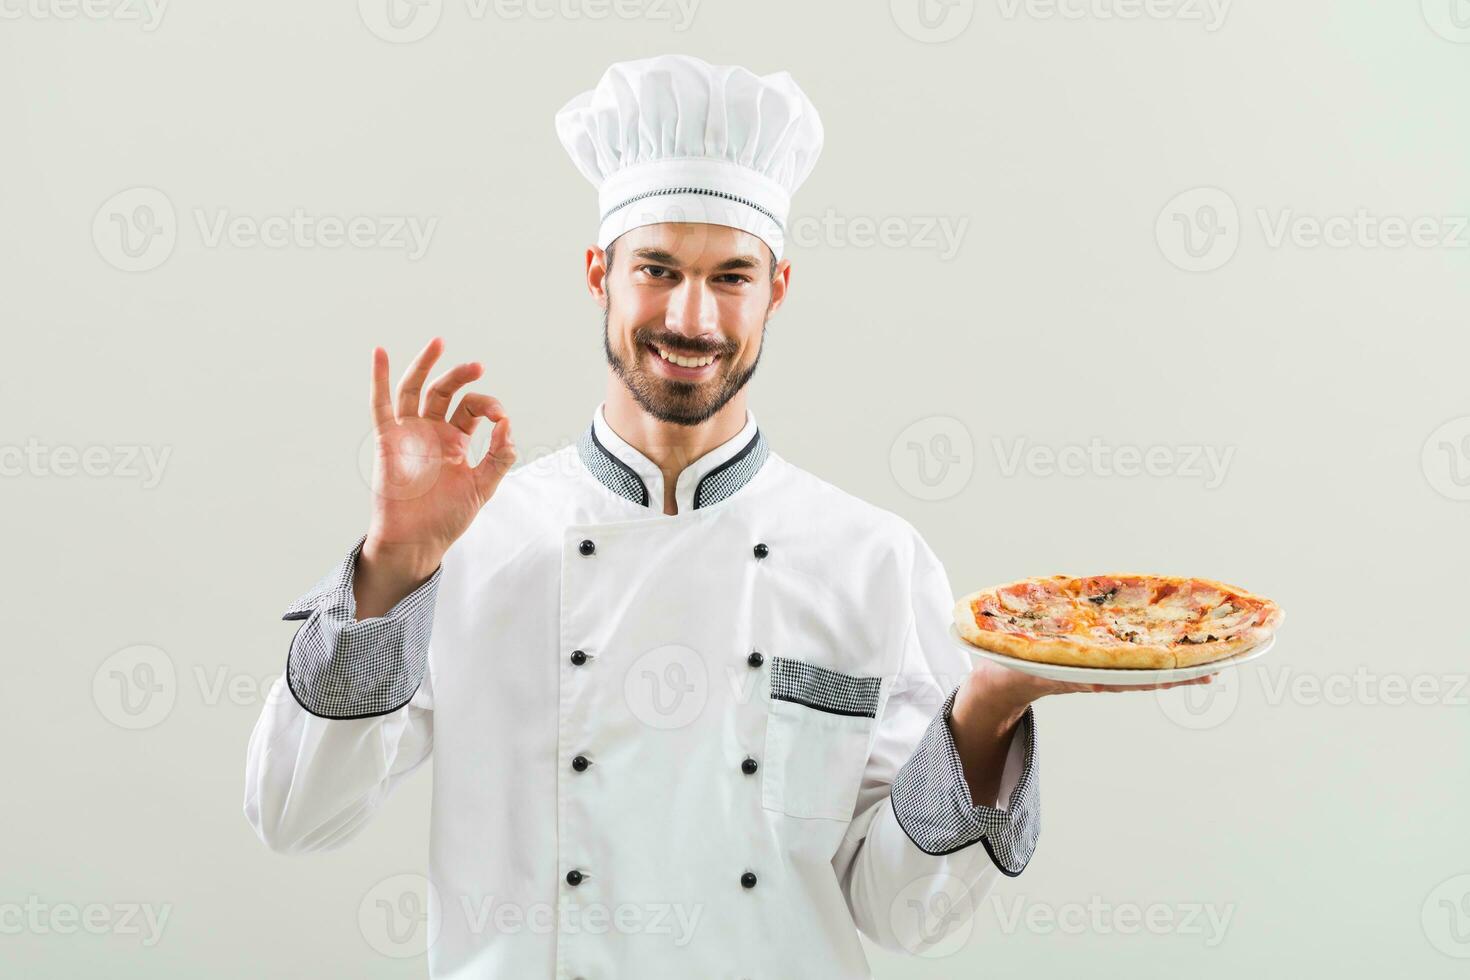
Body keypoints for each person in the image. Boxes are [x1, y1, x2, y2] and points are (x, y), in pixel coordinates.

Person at [243, 53, 1212, 979]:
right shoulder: (476, 541)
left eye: (730, 276)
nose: (692, 318)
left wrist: (988, 707)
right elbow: (295, 813)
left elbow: (905, 912)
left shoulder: (870, 556)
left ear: (776, 288)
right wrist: (392, 562)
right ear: (599, 273)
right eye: (657, 269)